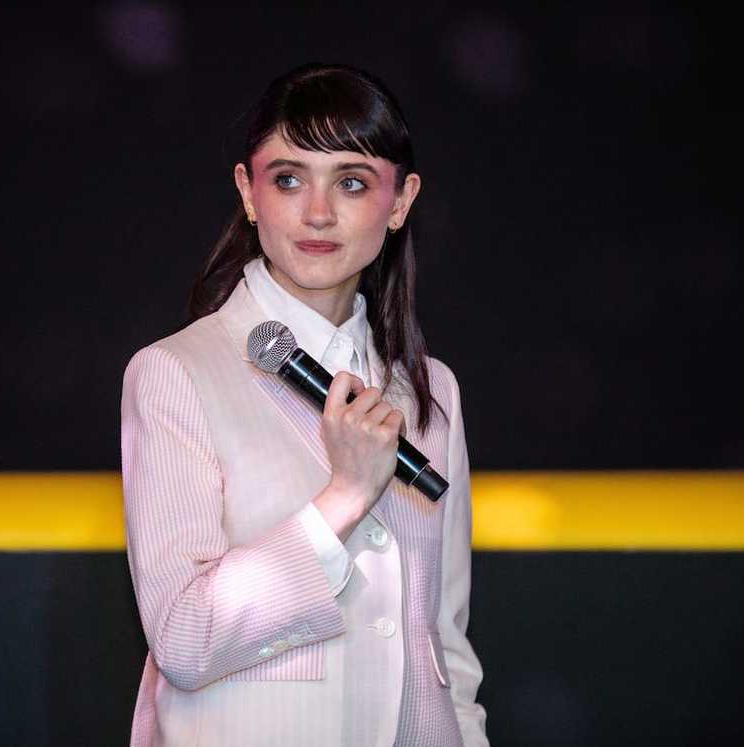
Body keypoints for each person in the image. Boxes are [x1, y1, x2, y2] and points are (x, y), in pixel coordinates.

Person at [120, 62, 488, 746]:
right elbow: (183, 635)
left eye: (352, 182)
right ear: (249, 191)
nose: (318, 213)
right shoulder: (176, 372)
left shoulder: (430, 389)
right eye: (288, 179)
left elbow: (445, 649)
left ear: (401, 200)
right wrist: (344, 495)